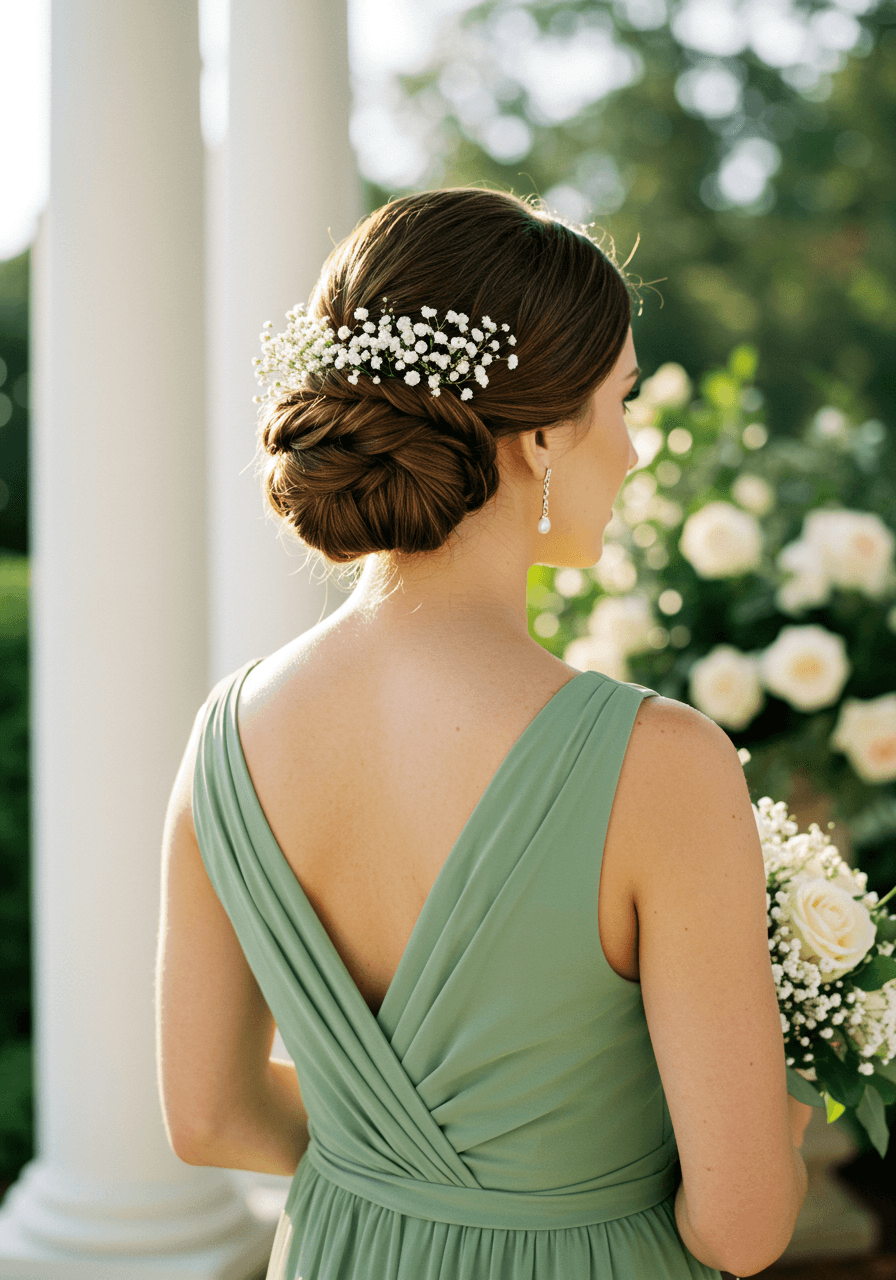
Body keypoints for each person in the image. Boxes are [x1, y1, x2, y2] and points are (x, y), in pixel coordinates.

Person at [155, 187, 812, 1280]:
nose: (636, 451)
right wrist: (778, 1127)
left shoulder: (225, 737)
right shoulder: (659, 762)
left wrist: (411, 1170)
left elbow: (209, 1114)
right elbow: (737, 1227)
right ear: (545, 431)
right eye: (624, 399)